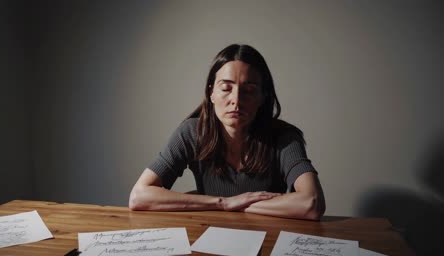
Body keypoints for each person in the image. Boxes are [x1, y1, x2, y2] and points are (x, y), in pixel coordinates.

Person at [129, 44, 325, 220]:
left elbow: (312, 203)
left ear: (262, 97)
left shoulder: (284, 137)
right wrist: (223, 203)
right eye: (226, 88)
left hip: (269, 241)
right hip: (211, 237)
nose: (236, 100)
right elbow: (139, 196)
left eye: (248, 90)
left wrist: (238, 204)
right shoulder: (192, 132)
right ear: (211, 93)